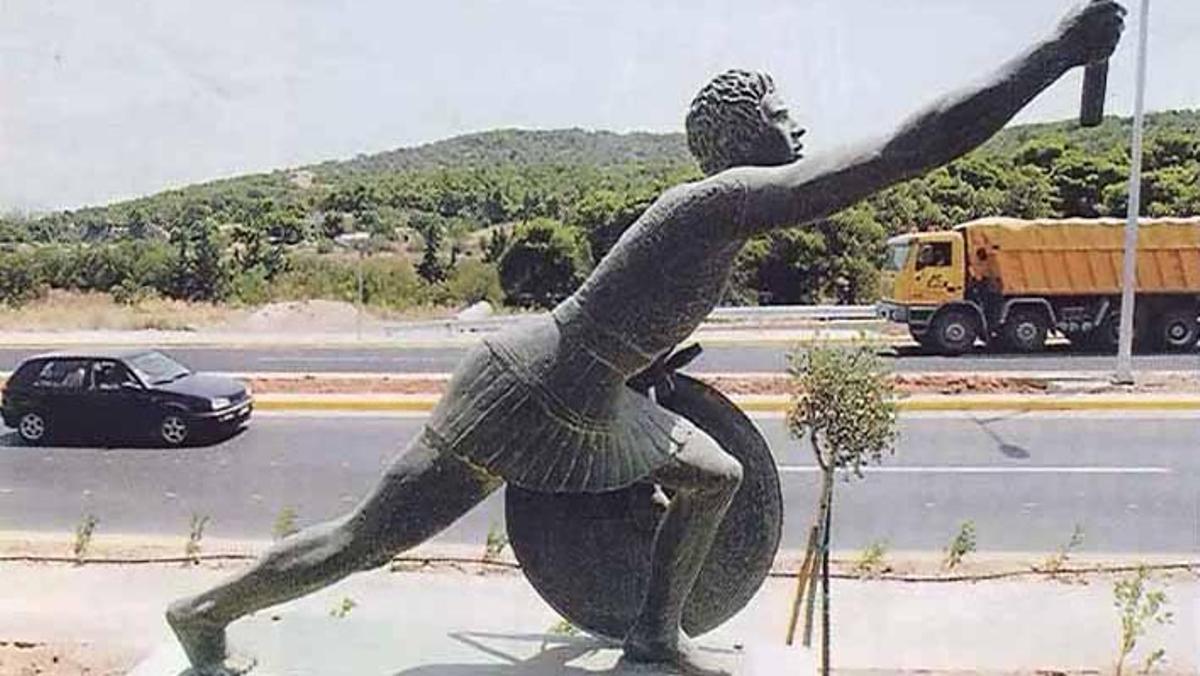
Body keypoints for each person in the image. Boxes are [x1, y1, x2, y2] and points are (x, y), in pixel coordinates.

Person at [167, 3, 1124, 674]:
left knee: (711, 478)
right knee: (370, 538)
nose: (800, 130)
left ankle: (655, 637)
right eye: (782, 118)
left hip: (575, 384)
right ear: (742, 136)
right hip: (541, 389)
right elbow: (905, 151)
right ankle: (204, 613)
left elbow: (633, 312)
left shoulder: (714, 211)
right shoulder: (720, 199)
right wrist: (1054, 52)